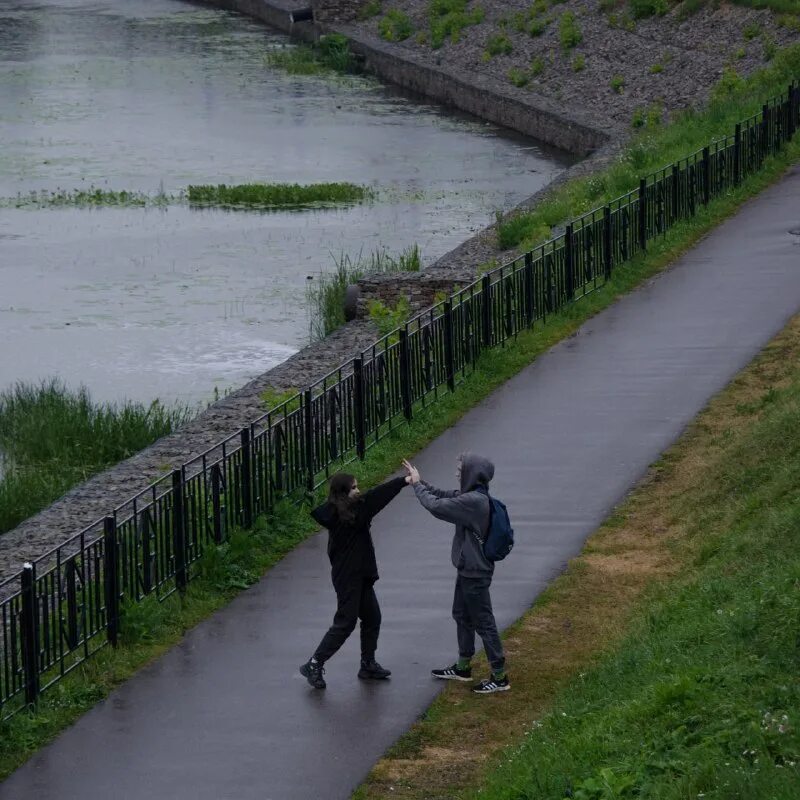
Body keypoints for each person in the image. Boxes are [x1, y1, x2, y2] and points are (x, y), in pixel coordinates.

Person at [402, 454, 509, 694]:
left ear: (472, 472)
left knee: (483, 622)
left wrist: (418, 485)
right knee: (461, 614)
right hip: (467, 569)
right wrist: (419, 481)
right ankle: (463, 667)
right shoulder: (473, 496)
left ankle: (500, 676)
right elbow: (442, 495)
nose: (457, 473)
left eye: (461, 469)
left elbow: (436, 506)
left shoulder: (473, 502)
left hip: (475, 572)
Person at [299, 471, 410, 690]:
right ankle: (314, 663)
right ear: (343, 493)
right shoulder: (351, 515)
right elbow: (377, 497)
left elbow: (372, 497)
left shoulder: (342, 512)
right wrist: (404, 481)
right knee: (345, 622)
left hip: (359, 575)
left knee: (372, 617)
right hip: (349, 577)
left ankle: (367, 664)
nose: (358, 491)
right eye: (353, 488)